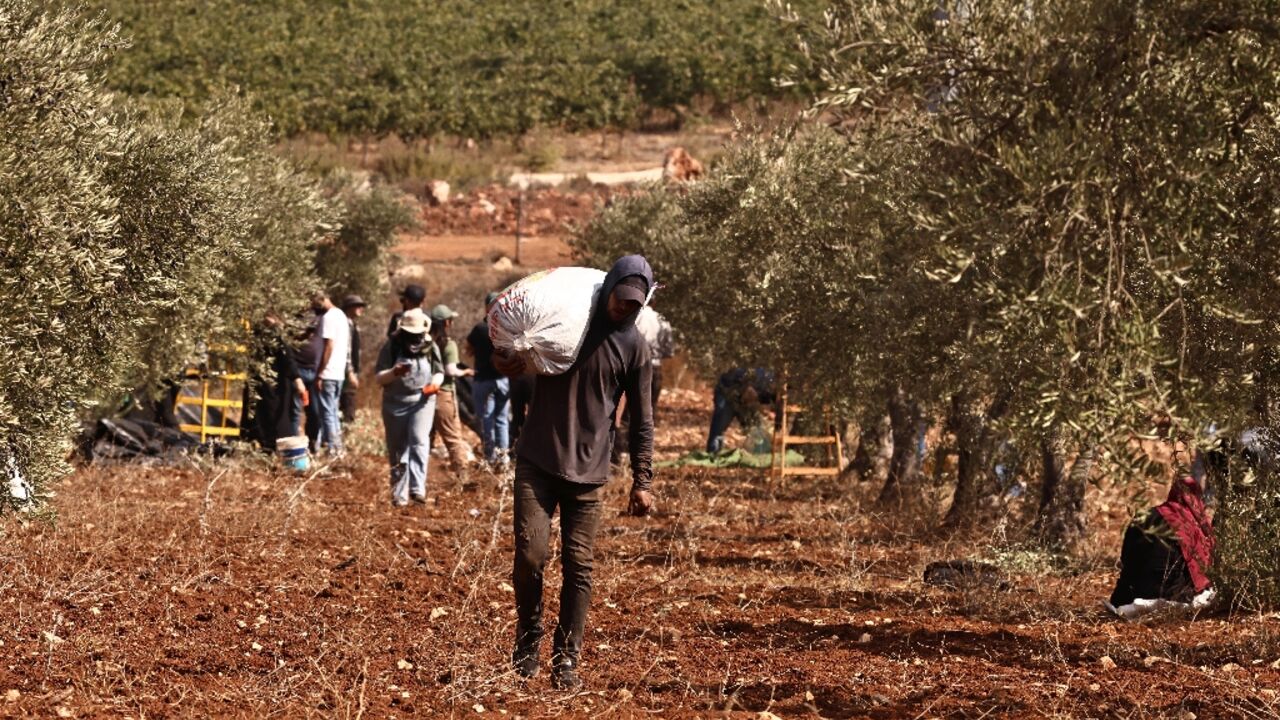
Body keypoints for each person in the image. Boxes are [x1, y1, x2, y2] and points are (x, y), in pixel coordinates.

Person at [493, 255, 655, 691]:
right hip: (537, 462)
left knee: (579, 566)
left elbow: (642, 418)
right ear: (608, 292)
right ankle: (528, 641)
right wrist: (505, 358)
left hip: (589, 473)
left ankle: (567, 658)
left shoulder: (636, 348)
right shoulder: (566, 324)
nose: (625, 309)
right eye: (621, 301)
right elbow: (516, 358)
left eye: (634, 305)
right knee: (530, 556)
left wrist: (643, 480)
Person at [1107, 465, 1215, 614]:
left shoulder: (1144, 516)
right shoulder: (1200, 526)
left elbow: (1128, 561)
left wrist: (1119, 598)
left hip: (1140, 593)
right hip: (1179, 597)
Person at [375, 308, 444, 506]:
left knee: (419, 441)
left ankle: (417, 489)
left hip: (422, 401)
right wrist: (394, 373)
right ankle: (399, 495)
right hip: (395, 402)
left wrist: (435, 385)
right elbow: (379, 378)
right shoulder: (391, 346)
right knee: (397, 449)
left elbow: (438, 371)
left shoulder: (430, 347)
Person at [246, 313, 306, 451]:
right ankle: (269, 449)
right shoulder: (269, 333)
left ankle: (267, 448)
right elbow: (287, 357)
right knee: (270, 420)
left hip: (269, 384)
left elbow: (286, 357)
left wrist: (296, 378)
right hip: (269, 386)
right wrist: (297, 379)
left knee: (267, 419)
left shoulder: (264, 333)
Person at [429, 304, 475, 481]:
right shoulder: (449, 344)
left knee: (425, 438)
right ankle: (462, 477)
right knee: (453, 437)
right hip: (443, 394)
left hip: (425, 395)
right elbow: (450, 370)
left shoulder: (426, 341)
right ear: (447, 322)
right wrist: (466, 372)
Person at [466, 291, 511, 470]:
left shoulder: (480, 329)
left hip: (483, 380)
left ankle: (490, 458)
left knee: (486, 419)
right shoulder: (506, 328)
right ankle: (504, 458)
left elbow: (468, 348)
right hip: (503, 381)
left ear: (486, 308)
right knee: (502, 420)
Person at [313, 291, 351, 456]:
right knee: (332, 411)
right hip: (338, 373)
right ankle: (335, 447)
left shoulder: (328, 317)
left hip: (328, 373)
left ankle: (335, 449)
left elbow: (329, 345)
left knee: (328, 412)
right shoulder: (341, 315)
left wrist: (320, 372)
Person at [706, 368, 776, 454]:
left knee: (758, 432)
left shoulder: (770, 380)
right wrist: (746, 387)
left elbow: (768, 401)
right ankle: (712, 454)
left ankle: (759, 455)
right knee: (719, 428)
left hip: (746, 402)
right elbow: (732, 376)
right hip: (727, 395)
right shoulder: (759, 375)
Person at [634, 305, 675, 422]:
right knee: (650, 408)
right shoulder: (662, 320)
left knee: (632, 408)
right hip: (655, 367)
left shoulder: (636, 317)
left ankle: (625, 437)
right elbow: (669, 351)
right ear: (655, 302)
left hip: (636, 366)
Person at [291, 310, 324, 449]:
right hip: (298, 371)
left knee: (315, 412)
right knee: (295, 411)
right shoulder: (293, 319)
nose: (309, 334)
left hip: (314, 373)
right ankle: (293, 446)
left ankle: (312, 443)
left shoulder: (319, 317)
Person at [340, 295, 367, 423]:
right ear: (349, 308)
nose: (361, 308)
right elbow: (346, 350)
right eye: (358, 305)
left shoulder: (352, 324)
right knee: (348, 402)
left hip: (347, 371)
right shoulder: (345, 324)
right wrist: (350, 372)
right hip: (344, 372)